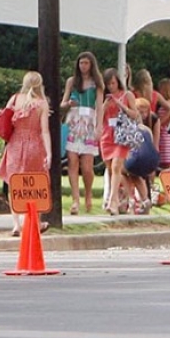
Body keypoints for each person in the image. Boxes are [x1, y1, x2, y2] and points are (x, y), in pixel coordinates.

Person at [0, 71, 50, 237]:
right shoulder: (42, 104)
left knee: (14, 184)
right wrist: (49, 152)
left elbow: (5, 119)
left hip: (15, 144)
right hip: (35, 144)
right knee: (36, 184)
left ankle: (16, 224)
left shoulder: (14, 99)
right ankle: (35, 221)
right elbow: (45, 131)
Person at [62, 52, 103, 215]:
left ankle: (88, 193)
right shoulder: (72, 82)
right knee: (72, 161)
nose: (83, 66)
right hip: (73, 121)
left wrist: (99, 126)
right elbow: (62, 103)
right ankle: (75, 199)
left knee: (87, 166)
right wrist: (68, 104)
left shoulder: (97, 84)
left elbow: (99, 106)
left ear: (91, 65)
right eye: (81, 63)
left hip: (89, 123)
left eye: (86, 63)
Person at [100, 69, 138, 215]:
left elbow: (135, 114)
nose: (111, 87)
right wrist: (104, 106)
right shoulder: (103, 98)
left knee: (117, 166)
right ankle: (115, 198)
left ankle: (112, 200)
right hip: (107, 135)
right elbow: (98, 118)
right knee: (110, 169)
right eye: (108, 84)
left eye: (113, 83)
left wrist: (120, 104)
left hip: (121, 134)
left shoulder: (127, 95)